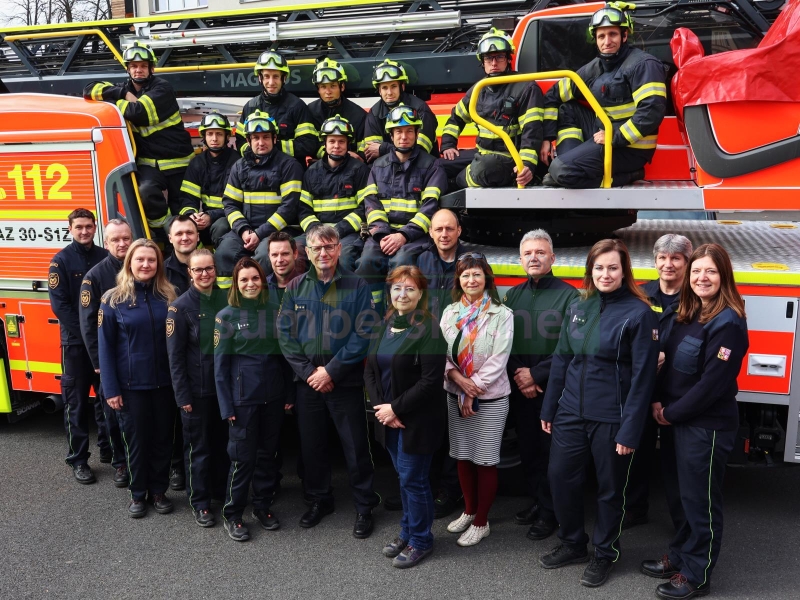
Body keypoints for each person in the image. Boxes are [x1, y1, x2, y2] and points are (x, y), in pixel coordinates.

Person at [539, 239, 659, 588]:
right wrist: (550, 406)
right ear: (590, 271)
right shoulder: (579, 306)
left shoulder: (640, 313)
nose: (605, 274)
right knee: (560, 477)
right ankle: (573, 543)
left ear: (624, 271)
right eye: (599, 268)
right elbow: (562, 358)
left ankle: (605, 553)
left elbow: (643, 378)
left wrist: (630, 429)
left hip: (612, 416)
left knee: (610, 490)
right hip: (570, 412)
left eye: (613, 268)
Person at [642, 243, 748, 600]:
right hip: (677, 421)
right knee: (680, 496)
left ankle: (697, 574)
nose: (702, 278)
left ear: (724, 276)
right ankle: (679, 555)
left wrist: (669, 413)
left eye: (711, 272)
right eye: (697, 271)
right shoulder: (687, 313)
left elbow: (711, 386)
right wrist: (659, 400)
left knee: (701, 502)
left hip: (706, 427)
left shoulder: (728, 322)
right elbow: (669, 364)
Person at [277, 224, 379, 538]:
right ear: (306, 252)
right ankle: (320, 500)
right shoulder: (295, 287)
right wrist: (310, 373)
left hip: (344, 382)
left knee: (356, 447)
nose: (323, 253)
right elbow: (285, 335)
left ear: (339, 249)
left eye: (329, 246)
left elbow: (364, 333)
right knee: (312, 446)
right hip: (308, 384)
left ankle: (364, 506)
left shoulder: (357, 285)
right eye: (317, 248)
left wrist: (331, 371)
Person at [365, 266, 446, 568]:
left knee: (414, 480)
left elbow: (430, 382)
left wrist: (395, 409)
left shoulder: (430, 330)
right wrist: (382, 409)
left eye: (410, 288)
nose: (402, 294)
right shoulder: (383, 325)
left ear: (421, 293)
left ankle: (422, 541)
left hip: (417, 420)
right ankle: (407, 532)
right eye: (397, 288)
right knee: (404, 478)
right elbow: (370, 370)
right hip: (388, 418)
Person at [540, 2, 667, 188]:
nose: (607, 41)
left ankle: (630, 175)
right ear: (596, 39)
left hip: (632, 147)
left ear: (624, 35)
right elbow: (554, 95)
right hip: (604, 134)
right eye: (601, 36)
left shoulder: (643, 64)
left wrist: (614, 137)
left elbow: (651, 112)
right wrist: (546, 137)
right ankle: (568, 162)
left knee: (562, 172)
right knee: (567, 109)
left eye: (612, 34)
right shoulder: (595, 68)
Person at [503, 229, 578, 541]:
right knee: (529, 450)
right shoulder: (512, 296)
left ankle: (551, 512)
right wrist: (520, 374)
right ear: (521, 260)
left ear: (552, 258)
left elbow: (569, 347)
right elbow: (504, 342)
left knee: (551, 457)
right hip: (521, 390)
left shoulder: (571, 296)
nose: (534, 258)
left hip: (553, 391)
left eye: (540, 252)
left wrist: (536, 375)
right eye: (528, 253)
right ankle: (538, 501)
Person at [98, 239, 178, 518]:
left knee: (162, 440)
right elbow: (105, 348)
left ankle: (159, 491)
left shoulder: (170, 296)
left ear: (158, 264)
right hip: (131, 387)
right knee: (136, 442)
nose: (146, 264)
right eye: (140, 259)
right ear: (129, 263)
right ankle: (137, 493)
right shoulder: (112, 300)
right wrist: (111, 389)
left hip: (165, 384)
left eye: (151, 260)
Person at [440, 252, 513, 547]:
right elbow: (442, 354)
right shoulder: (449, 313)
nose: (471, 279)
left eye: (477, 274)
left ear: (487, 279)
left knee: (484, 460)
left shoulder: (502, 314)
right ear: (459, 280)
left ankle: (482, 522)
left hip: (490, 397)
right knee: (462, 456)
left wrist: (472, 389)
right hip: (455, 393)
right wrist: (459, 383)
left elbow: (499, 359)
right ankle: (469, 511)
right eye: (465, 275)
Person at [83, 42, 194, 230]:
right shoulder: (125, 89)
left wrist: (113, 104)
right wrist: (122, 93)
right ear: (128, 69)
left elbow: (139, 112)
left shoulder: (162, 88)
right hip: (149, 163)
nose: (138, 70)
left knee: (181, 207)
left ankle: (188, 241)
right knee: (145, 192)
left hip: (178, 162)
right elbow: (89, 90)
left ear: (151, 68)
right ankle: (164, 232)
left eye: (143, 66)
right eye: (133, 66)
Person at [214, 257, 287, 542]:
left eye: (255, 278)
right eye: (244, 279)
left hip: (273, 397)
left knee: (268, 456)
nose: (250, 283)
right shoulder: (226, 316)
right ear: (236, 283)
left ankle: (263, 507)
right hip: (242, 401)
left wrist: (287, 395)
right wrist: (226, 406)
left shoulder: (274, 310)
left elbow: (283, 356)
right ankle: (233, 514)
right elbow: (220, 367)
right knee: (242, 459)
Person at [626, 233, 693, 529]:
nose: (668, 264)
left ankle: (682, 524)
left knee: (676, 462)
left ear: (687, 263)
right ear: (654, 261)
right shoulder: (640, 294)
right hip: (643, 390)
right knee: (635, 454)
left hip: (678, 394)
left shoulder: (696, 298)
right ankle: (635, 510)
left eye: (676, 258)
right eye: (662, 258)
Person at [356, 105, 447, 310]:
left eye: (409, 131)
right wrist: (382, 235)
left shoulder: (432, 166)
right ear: (391, 136)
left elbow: (429, 208)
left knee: (402, 263)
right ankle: (372, 313)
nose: (404, 136)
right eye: (398, 131)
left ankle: (398, 314)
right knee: (367, 262)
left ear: (417, 134)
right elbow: (371, 204)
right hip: (383, 234)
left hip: (415, 237)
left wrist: (403, 235)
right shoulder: (377, 166)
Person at [166, 249, 230, 528]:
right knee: (198, 449)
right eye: (198, 269)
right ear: (189, 273)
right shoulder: (179, 308)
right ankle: (200, 502)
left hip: (224, 390)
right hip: (196, 391)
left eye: (209, 268)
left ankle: (220, 491)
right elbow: (175, 357)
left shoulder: (227, 300)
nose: (205, 274)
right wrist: (182, 396)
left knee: (223, 446)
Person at [48, 208, 109, 485]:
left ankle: (109, 451)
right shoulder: (60, 261)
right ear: (70, 229)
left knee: (108, 400)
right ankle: (79, 459)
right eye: (79, 227)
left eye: (88, 226)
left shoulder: (104, 257)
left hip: (104, 342)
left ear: (95, 227)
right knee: (76, 403)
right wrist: (88, 335)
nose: (84, 231)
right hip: (75, 344)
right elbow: (60, 306)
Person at [440, 28, 542, 189]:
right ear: (482, 62)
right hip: (481, 153)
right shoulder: (478, 90)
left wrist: (527, 164)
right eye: (488, 58)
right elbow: (456, 118)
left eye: (499, 57)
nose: (494, 63)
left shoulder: (525, 87)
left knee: (484, 168)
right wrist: (448, 145)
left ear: (508, 58)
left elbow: (532, 131)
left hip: (510, 159)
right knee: (438, 165)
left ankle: (457, 182)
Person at [414, 208, 466, 518]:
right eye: (438, 229)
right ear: (431, 233)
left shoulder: (471, 261)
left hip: (461, 354)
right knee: (428, 423)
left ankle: (450, 490)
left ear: (459, 231)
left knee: (454, 428)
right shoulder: (421, 260)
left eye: (449, 228)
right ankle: (426, 486)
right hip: (429, 352)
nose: (444, 234)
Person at [215, 110, 304, 289]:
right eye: (255, 138)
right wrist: (244, 230)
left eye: (266, 137)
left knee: (265, 257)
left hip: (278, 231)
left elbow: (289, 208)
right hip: (245, 229)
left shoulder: (289, 165)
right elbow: (230, 204)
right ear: (248, 141)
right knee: (224, 254)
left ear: (274, 139)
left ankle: (262, 300)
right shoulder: (239, 167)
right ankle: (228, 301)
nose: (261, 142)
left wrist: (259, 234)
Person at [79, 218, 133, 489]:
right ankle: (120, 463)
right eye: (116, 240)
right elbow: (88, 324)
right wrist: (99, 363)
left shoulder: (140, 267)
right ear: (106, 243)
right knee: (113, 415)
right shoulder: (95, 277)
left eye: (126, 238)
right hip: (110, 361)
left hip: (136, 358)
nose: (122, 244)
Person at [297, 115, 371, 271]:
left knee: (343, 257)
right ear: (324, 143)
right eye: (332, 141)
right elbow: (303, 210)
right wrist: (316, 232)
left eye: (341, 141)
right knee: (295, 252)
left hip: (348, 233)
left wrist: (337, 230)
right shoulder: (311, 172)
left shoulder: (360, 170)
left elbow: (365, 208)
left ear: (348, 143)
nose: (336, 146)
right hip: (316, 233)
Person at [163, 213, 200, 492]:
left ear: (198, 236)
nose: (185, 237)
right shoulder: (161, 271)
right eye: (179, 233)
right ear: (170, 238)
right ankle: (177, 466)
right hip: (173, 351)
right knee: (175, 414)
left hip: (202, 354)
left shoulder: (210, 265)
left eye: (190, 232)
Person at [235, 50, 319, 165]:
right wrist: (255, 153)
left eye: (275, 76)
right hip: (256, 169)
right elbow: (240, 141)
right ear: (260, 78)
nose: (271, 82)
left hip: (288, 170)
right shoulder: (250, 107)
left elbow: (308, 144)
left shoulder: (297, 106)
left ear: (283, 78)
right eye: (266, 76)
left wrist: (273, 147)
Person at [178, 112, 240, 247]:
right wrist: (192, 215)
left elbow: (241, 204)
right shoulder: (197, 163)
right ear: (204, 136)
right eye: (210, 134)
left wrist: (211, 216)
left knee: (221, 226)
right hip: (203, 219)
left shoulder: (238, 163)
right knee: (180, 225)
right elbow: (188, 198)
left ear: (227, 136)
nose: (214, 138)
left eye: (219, 134)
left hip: (229, 217)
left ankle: (219, 259)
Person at [362, 59, 439, 162]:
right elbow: (372, 154)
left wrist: (384, 149)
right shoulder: (374, 114)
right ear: (379, 90)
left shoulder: (420, 110)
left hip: (424, 167)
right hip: (389, 167)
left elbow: (419, 152)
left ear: (402, 86)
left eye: (393, 86)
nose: (389, 92)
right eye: (384, 88)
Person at [307, 57, 366, 160]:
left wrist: (350, 157)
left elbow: (363, 149)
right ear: (318, 89)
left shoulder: (358, 115)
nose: (328, 92)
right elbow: (309, 144)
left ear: (342, 87)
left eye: (333, 86)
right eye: (323, 87)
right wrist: (330, 156)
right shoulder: (310, 112)